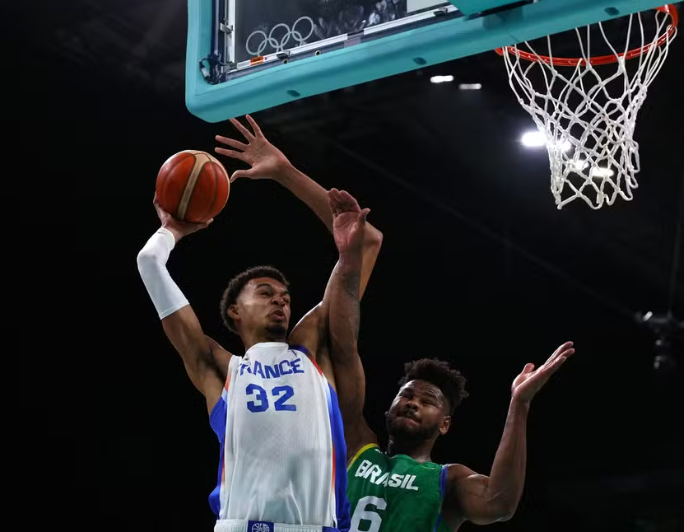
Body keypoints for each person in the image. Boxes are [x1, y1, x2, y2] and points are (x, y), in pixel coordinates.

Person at [136, 115, 381, 532]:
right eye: (265, 292)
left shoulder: (313, 347)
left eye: (285, 296)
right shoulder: (218, 367)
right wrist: (172, 231)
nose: (281, 300)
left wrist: (285, 172)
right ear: (234, 309)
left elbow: (367, 240)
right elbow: (148, 263)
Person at [326, 252, 576, 531]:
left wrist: (520, 403)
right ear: (389, 407)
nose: (412, 403)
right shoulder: (359, 447)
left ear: (445, 424)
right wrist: (349, 259)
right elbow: (344, 350)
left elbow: (499, 505)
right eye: (406, 395)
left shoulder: (449, 480)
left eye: (427, 401)